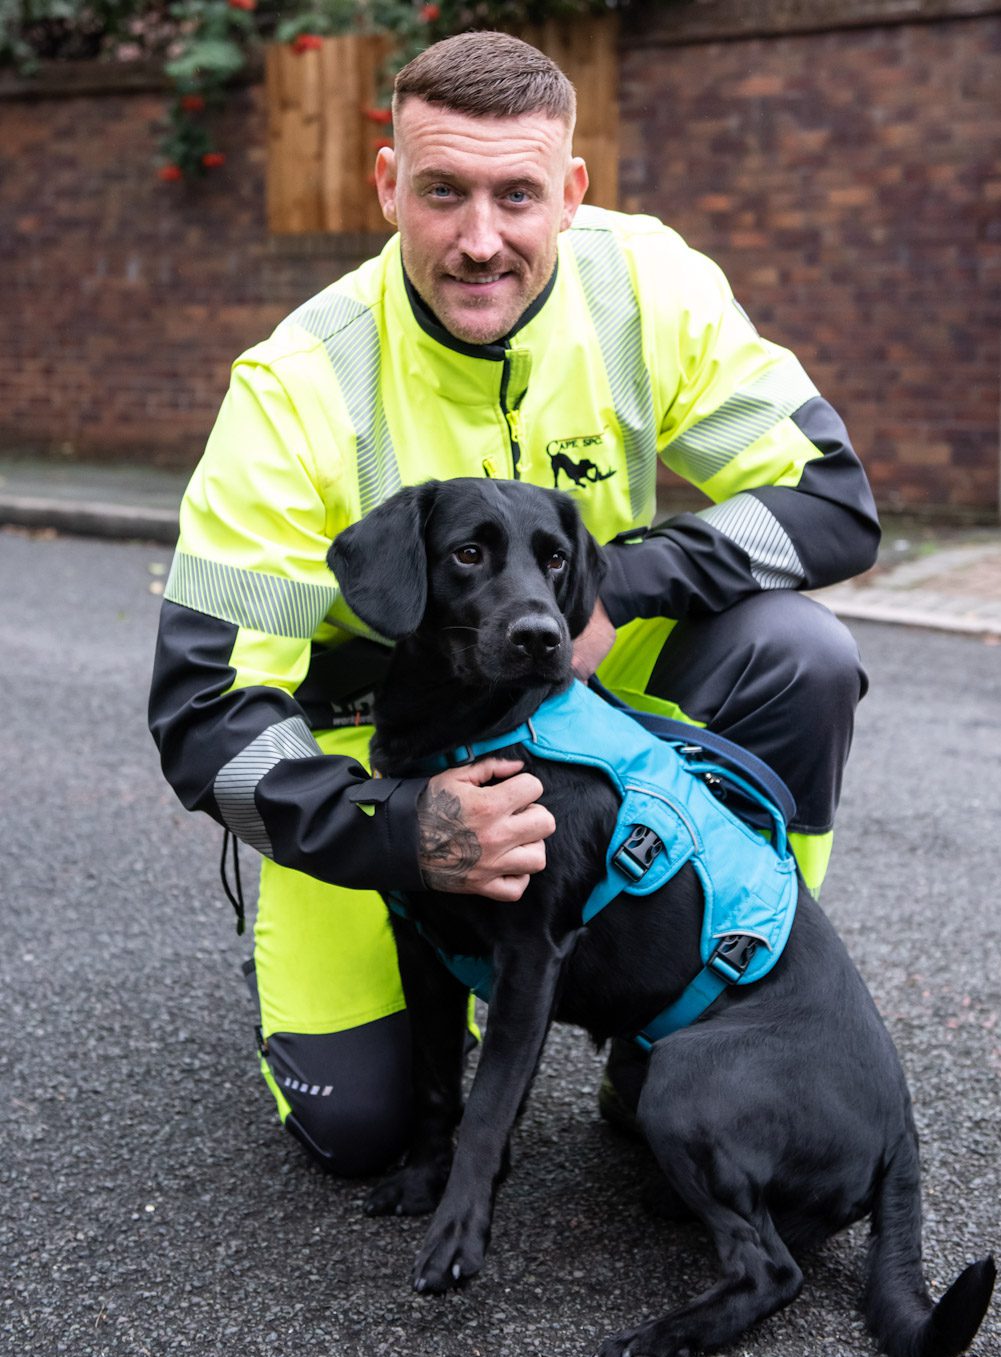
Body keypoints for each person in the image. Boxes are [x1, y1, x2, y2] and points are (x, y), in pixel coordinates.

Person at [149, 31, 880, 1176]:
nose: (479, 239)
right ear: (388, 183)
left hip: (592, 706)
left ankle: (708, 1010)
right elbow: (203, 710)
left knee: (800, 654)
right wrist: (393, 827)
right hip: (384, 762)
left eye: (516, 195)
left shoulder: (645, 285)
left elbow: (832, 499)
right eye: (442, 192)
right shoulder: (295, 385)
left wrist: (624, 581)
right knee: (364, 1132)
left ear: (571, 194)